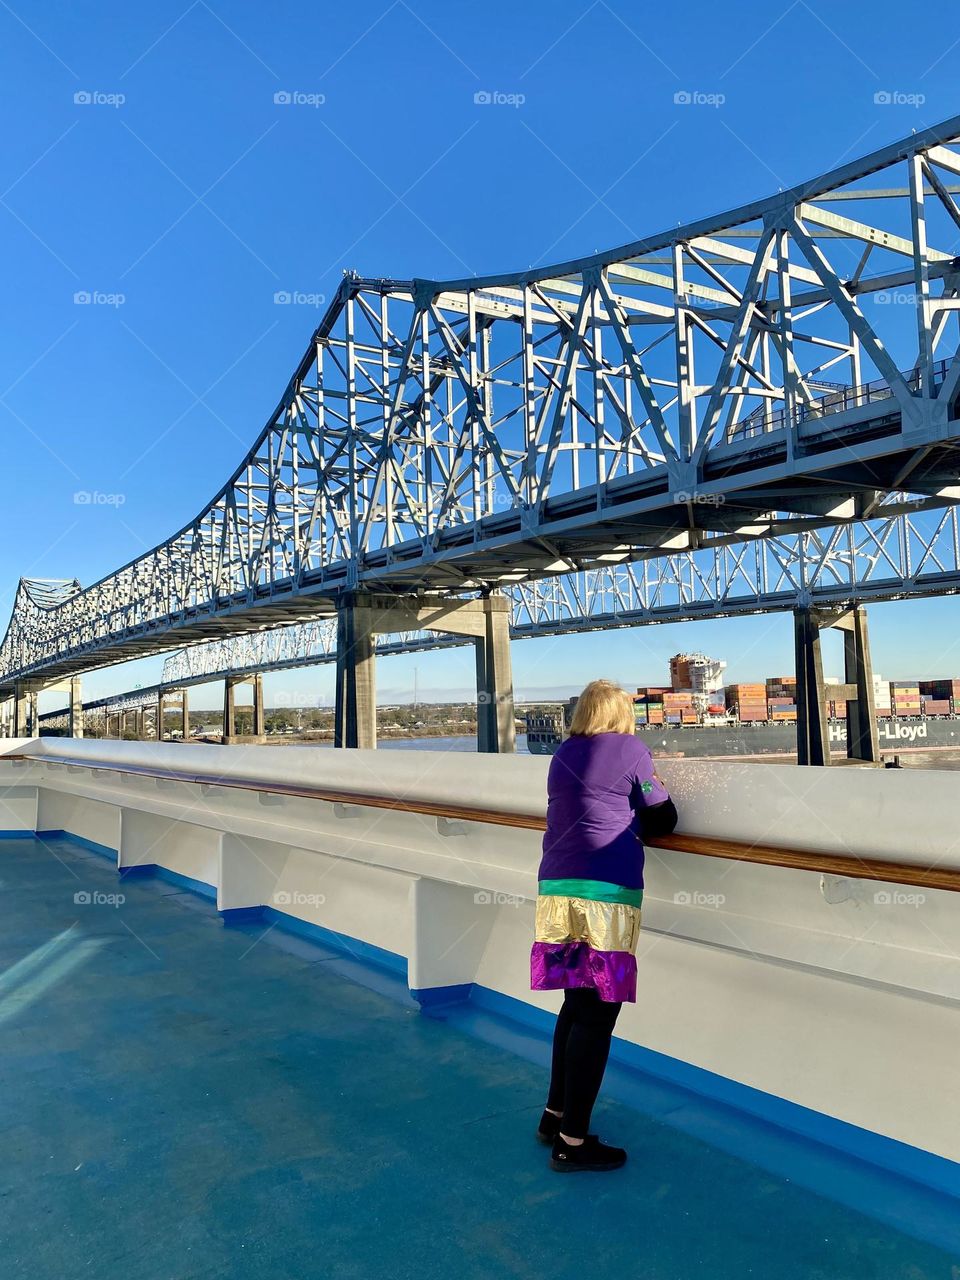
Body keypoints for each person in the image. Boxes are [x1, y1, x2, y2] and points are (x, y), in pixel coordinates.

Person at [530, 679, 678, 1172]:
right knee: (598, 1015)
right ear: (619, 714)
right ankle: (573, 1143)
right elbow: (665, 818)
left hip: (557, 888)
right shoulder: (631, 749)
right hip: (605, 894)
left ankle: (554, 1115)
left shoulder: (562, 753)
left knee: (575, 1004)